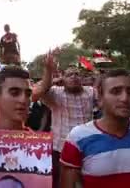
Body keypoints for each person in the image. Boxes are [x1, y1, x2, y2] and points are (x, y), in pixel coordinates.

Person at [32, 54, 96, 188]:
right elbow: (38, 92)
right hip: (60, 150)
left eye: (77, 74)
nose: (74, 77)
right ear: (63, 79)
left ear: (82, 79)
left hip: (88, 150)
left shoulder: (91, 92)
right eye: (69, 75)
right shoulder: (56, 93)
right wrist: (49, 71)